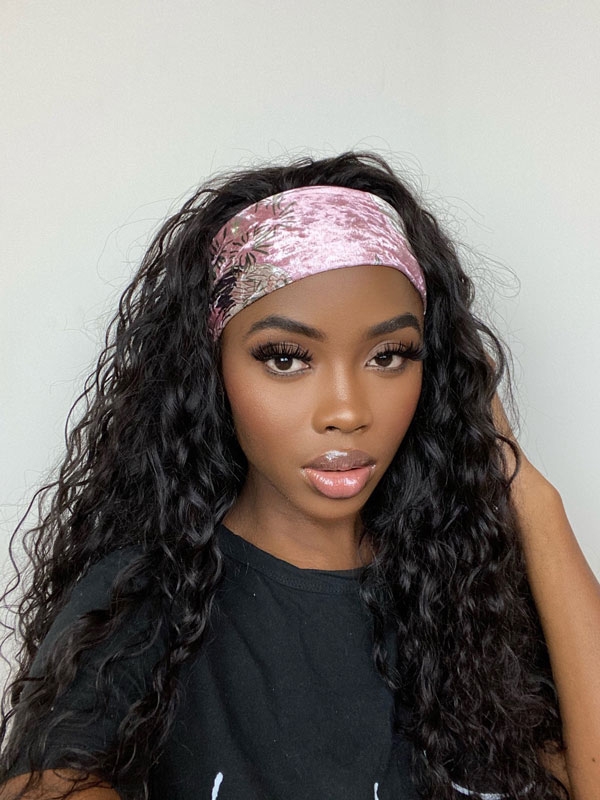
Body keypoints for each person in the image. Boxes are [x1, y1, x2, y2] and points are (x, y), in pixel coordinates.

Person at [0, 152, 597, 800]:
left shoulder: (466, 589)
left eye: (389, 355)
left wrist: (525, 489)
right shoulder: (149, 590)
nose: (347, 410)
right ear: (210, 371)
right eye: (286, 358)